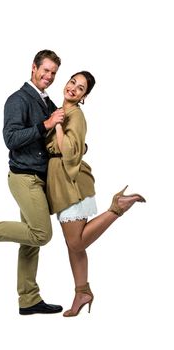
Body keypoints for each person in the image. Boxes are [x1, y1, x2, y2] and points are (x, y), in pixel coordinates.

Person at [0, 49, 65, 315]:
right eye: (46, 70)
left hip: (38, 177)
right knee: (42, 234)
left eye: (53, 73)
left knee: (30, 241)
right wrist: (45, 124)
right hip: (23, 178)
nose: (49, 76)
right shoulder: (17, 99)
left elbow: (56, 134)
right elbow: (11, 139)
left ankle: (28, 299)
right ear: (33, 68)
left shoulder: (45, 100)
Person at [46, 71, 146, 317]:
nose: (73, 88)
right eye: (72, 82)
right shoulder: (62, 109)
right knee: (75, 248)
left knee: (76, 242)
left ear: (84, 96)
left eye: (80, 88)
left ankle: (117, 207)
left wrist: (57, 124)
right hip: (63, 183)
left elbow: (69, 151)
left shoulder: (75, 116)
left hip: (72, 184)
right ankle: (82, 292)